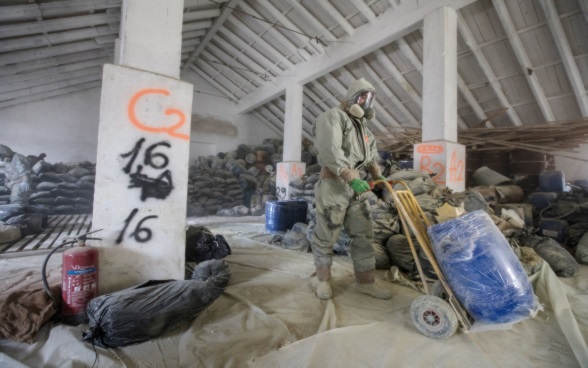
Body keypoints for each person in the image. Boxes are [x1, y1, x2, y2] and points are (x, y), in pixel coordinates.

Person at [311, 78, 392, 300]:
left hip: (356, 187)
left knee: (363, 234)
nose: (366, 102)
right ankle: (322, 280)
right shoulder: (332, 117)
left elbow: (371, 154)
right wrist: (348, 175)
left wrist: (378, 175)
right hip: (334, 184)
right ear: (352, 97)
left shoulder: (363, 127)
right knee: (327, 234)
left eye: (370, 98)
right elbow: (329, 150)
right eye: (363, 96)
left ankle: (365, 282)